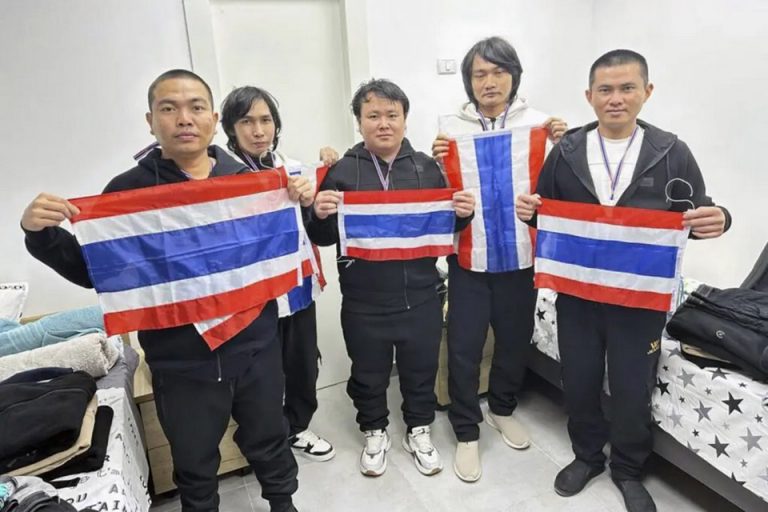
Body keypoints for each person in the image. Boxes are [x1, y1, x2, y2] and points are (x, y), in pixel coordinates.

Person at [20, 69, 302, 512]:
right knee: (194, 462)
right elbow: (99, 274)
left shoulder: (247, 179)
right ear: (151, 121)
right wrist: (41, 235)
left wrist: (300, 199)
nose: (184, 118)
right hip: (181, 360)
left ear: (213, 119)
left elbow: (278, 252)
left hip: (256, 346)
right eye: (169, 108)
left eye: (196, 107)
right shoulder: (127, 192)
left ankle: (283, 504)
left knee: (270, 438)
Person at [515, 50, 731, 512]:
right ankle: (587, 456)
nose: (616, 98)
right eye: (606, 90)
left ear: (646, 92)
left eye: (627, 88)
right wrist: (529, 212)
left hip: (640, 298)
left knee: (633, 387)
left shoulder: (671, 152)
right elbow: (546, 214)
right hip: (578, 294)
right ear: (589, 96)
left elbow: (698, 212)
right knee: (580, 381)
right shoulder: (566, 151)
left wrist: (721, 218)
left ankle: (629, 469)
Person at [306, 78, 475, 477]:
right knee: (368, 373)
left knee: (420, 370)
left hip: (421, 296)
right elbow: (324, 237)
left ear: (405, 119)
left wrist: (463, 214)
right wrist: (319, 214)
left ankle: (418, 429)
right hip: (363, 301)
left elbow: (445, 228)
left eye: (392, 115)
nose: (383, 123)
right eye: (373, 115)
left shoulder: (428, 169)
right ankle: (374, 430)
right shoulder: (342, 171)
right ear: (359, 121)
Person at [431, 36, 567, 482]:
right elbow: (438, 193)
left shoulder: (541, 125)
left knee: (514, 340)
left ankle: (503, 408)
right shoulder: (450, 129)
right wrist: (437, 162)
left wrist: (564, 144)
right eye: (479, 74)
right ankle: (466, 429)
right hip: (469, 258)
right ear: (468, 81)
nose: (489, 82)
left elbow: (563, 186)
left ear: (514, 76)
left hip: (521, 256)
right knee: (465, 347)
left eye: (498, 72)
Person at [220, 85, 336, 462]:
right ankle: (266, 441)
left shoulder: (294, 168)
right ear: (231, 128)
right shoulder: (220, 176)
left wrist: (313, 196)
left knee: (302, 363)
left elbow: (319, 228)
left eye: (266, 120)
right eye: (247, 121)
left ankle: (298, 427)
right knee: (259, 374)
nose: (258, 131)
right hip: (252, 295)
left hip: (297, 285)